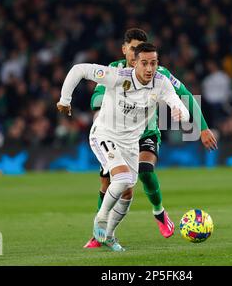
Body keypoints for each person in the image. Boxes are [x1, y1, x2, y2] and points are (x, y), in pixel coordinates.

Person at [85, 28, 217, 248]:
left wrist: (202, 127)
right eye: (133, 48)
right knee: (109, 182)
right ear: (125, 49)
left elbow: (185, 95)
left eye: (141, 49)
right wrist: (99, 113)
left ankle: (159, 213)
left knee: (145, 170)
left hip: (146, 132)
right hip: (115, 134)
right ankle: (101, 233)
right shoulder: (113, 70)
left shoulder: (159, 73)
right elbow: (97, 94)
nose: (136, 53)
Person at [57, 43, 190, 251]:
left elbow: (177, 101)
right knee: (121, 178)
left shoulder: (161, 83)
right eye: (144, 63)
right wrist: (65, 99)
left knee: (127, 193)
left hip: (130, 144)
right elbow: (79, 70)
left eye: (153, 63)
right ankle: (100, 221)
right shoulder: (118, 76)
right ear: (134, 63)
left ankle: (109, 236)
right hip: (104, 134)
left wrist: (181, 112)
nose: (149, 69)